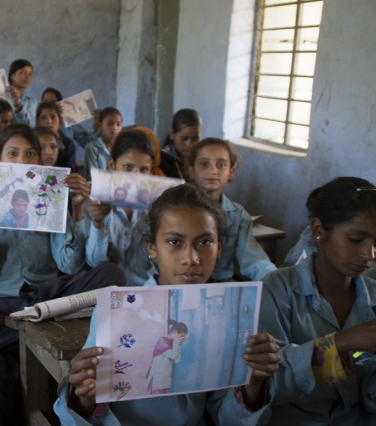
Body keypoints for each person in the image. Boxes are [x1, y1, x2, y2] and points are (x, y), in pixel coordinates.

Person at [55, 183, 280, 425]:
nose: (191, 258)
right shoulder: (118, 312)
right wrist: (85, 397)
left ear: (219, 248)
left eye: (204, 242)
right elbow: (85, 407)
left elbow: (226, 417)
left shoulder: (227, 319)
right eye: (175, 242)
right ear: (152, 247)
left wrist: (253, 383)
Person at [0, 124, 126, 425]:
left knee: (111, 274)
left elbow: (69, 265)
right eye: (12, 153)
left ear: (40, 162)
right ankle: (12, 337)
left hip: (46, 304)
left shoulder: (49, 199)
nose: (20, 161)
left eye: (29, 153)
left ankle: (29, 327)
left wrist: (76, 209)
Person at [259, 177, 376, 425]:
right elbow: (265, 386)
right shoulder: (277, 291)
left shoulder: (373, 296)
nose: (369, 255)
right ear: (318, 230)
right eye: (356, 240)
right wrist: (342, 342)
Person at [188, 137, 276, 281]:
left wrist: (276, 280)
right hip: (180, 283)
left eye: (221, 165)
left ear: (231, 172)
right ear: (191, 170)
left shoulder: (238, 215)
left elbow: (254, 261)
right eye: (204, 164)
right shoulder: (175, 209)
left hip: (220, 286)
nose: (212, 170)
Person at [86, 129, 157, 286]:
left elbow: (159, 265)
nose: (135, 176)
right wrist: (97, 225)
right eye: (128, 167)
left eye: (144, 169)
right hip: (107, 292)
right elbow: (94, 263)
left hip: (146, 291)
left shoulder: (156, 208)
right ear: (112, 165)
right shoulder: (95, 202)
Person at [146, 320, 188, 395]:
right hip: (157, 380)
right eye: (181, 336)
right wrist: (176, 342)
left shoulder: (173, 343)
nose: (182, 338)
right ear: (175, 332)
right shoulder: (162, 341)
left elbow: (176, 360)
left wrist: (178, 344)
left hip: (165, 380)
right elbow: (173, 356)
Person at [160, 108, 202, 179]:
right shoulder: (162, 160)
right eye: (184, 139)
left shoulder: (203, 159)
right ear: (172, 134)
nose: (190, 144)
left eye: (195, 139)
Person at [36, 101, 77, 171]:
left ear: (60, 122)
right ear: (37, 122)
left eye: (52, 117)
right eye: (43, 118)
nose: (49, 121)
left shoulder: (68, 144)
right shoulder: (31, 140)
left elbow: (69, 171)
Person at [84, 107, 123, 181]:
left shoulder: (124, 149)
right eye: (110, 124)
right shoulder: (92, 148)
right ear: (100, 125)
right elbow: (92, 178)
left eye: (118, 124)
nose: (114, 128)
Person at [8, 59, 38, 127]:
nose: (27, 77)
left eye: (30, 74)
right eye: (22, 72)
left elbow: (31, 125)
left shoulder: (32, 102)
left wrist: (19, 105)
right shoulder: (0, 97)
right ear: (11, 76)